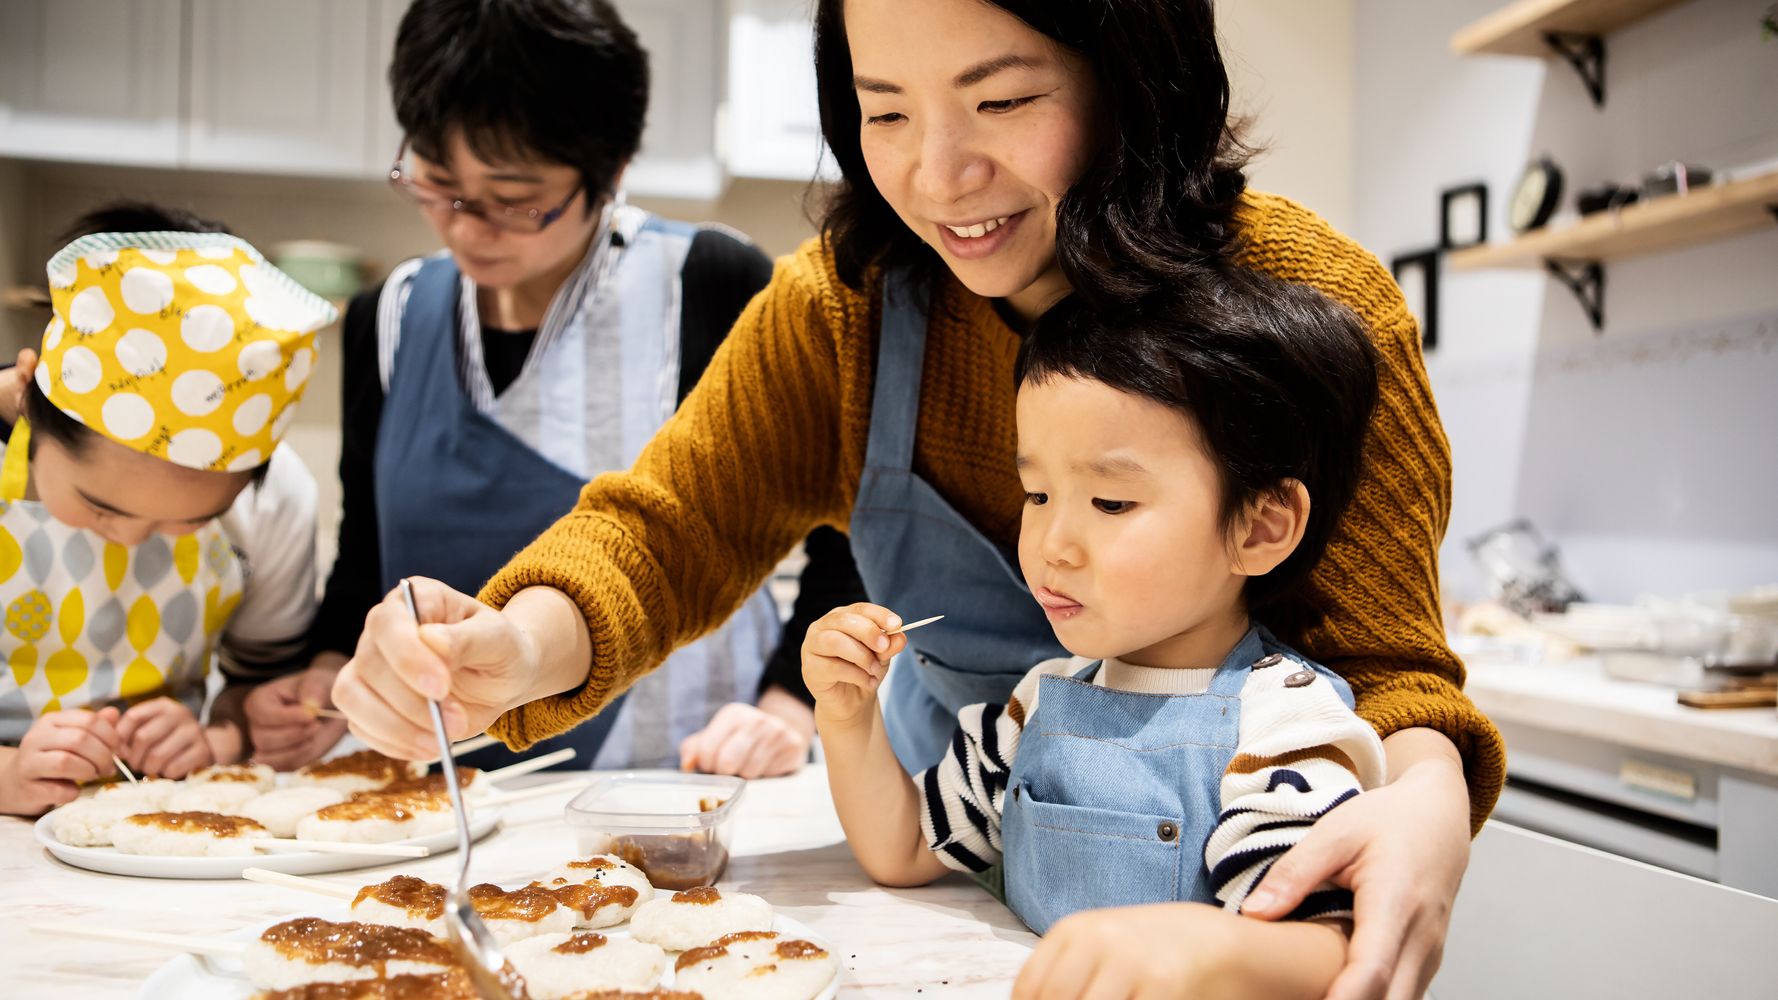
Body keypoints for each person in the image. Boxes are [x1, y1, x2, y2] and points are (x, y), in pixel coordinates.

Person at [333, 1, 1503, 994]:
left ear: (1130, 76)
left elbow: (1391, 672)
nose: (934, 177)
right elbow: (668, 527)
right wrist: (509, 647)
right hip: (943, 911)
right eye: (882, 109)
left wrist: (1424, 809)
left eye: (999, 102)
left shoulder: (1309, 308)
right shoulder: (848, 305)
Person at [241, 0, 864, 775]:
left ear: (612, 174)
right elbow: (369, 554)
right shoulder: (389, 317)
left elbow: (848, 521)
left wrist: (788, 705)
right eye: (438, 186)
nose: (469, 228)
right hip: (435, 794)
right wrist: (324, 675)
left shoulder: (704, 283)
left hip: (681, 775)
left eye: (514, 201)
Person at [807, 272, 1388, 997]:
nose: (1053, 543)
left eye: (1111, 501)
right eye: (1037, 495)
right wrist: (847, 712)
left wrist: (1207, 949)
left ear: (1261, 527)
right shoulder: (1037, 705)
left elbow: (1331, 952)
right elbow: (902, 848)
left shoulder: (1281, 724)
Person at [0, 208, 325, 815]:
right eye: (99, 505)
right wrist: (10, 772)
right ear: (28, 393)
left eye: (191, 521)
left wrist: (214, 738)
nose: (127, 540)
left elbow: (257, 691)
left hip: (161, 822)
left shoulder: (275, 500)